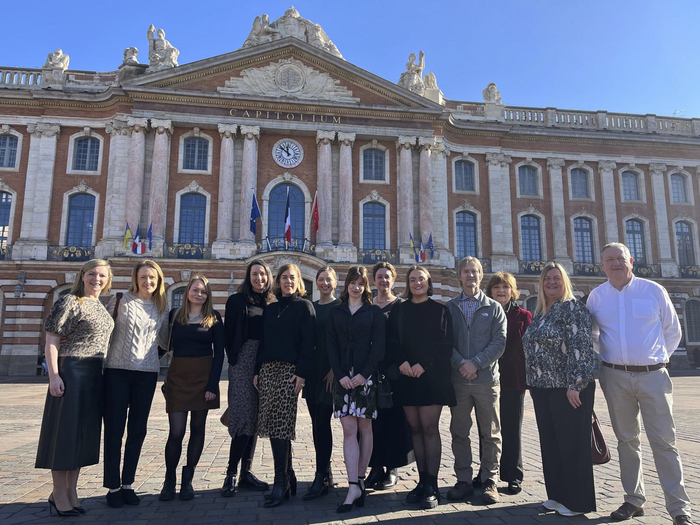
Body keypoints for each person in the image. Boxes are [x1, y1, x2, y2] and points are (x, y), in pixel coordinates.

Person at [588, 243, 693, 525]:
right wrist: (614, 359)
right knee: (626, 440)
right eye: (609, 259)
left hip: (653, 376)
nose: (615, 263)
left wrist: (656, 360)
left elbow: (673, 330)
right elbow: (594, 335)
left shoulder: (653, 290)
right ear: (602, 266)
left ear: (631, 261)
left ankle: (678, 507)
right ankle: (633, 499)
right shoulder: (596, 297)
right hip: (615, 377)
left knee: (664, 442)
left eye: (620, 258)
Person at [35, 259, 115, 517]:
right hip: (72, 369)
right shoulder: (70, 301)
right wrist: (54, 375)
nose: (97, 279)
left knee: (82, 435)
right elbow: (51, 340)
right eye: (92, 274)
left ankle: (72, 490)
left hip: (95, 371)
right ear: (82, 275)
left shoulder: (101, 305)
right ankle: (58, 492)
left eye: (102, 275)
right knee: (65, 433)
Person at [522, 262, 596, 517]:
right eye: (546, 279)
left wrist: (576, 384)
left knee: (572, 445)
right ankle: (558, 495)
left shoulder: (573, 308)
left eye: (556, 278)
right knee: (552, 444)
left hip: (569, 388)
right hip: (543, 387)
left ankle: (578, 502)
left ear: (565, 281)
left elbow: (582, 346)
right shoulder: (542, 312)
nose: (551, 282)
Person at [386, 265, 455, 509]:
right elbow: (391, 340)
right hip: (406, 376)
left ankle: (432, 485)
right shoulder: (399, 310)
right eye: (413, 280)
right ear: (408, 283)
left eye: (421, 279)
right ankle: (422, 480)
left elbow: (445, 344)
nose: (417, 283)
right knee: (414, 429)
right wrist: (403, 363)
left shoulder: (440, 310)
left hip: (431, 378)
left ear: (428, 283)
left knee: (428, 428)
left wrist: (423, 365)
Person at [103, 260, 169, 508]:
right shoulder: (120, 300)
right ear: (136, 278)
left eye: (152, 278)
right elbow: (104, 333)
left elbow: (164, 341)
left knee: (138, 430)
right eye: (143, 277)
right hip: (117, 371)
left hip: (147, 374)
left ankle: (128, 483)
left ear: (158, 280)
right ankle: (112, 486)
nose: (148, 282)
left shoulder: (161, 307)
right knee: (114, 429)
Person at [158, 274, 224, 501]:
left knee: (198, 429)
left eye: (203, 291)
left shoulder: (214, 317)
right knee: (176, 432)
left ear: (208, 296)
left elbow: (219, 355)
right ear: (187, 292)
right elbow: (162, 346)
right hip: (178, 375)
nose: (199, 294)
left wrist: (212, 385)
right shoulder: (174, 315)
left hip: (203, 377)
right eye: (195, 290)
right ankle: (169, 480)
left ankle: (188, 480)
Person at [445, 256, 506, 505]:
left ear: (482, 276)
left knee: (490, 433)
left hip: (486, 381)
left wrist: (476, 363)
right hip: (459, 381)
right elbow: (445, 342)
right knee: (459, 432)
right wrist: (461, 364)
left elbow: (499, 343)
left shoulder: (494, 308)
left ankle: (490, 480)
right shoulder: (449, 308)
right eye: (466, 271)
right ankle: (464, 481)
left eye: (475, 271)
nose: (471, 275)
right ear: (459, 275)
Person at [254, 263, 315, 508]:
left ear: (298, 281)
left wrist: (302, 373)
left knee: (282, 424)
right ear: (277, 281)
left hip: (289, 372)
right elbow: (263, 340)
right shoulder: (271, 309)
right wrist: (258, 369)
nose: (288, 281)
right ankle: (288, 477)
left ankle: (280, 481)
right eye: (284, 278)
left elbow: (309, 342)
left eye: (292, 278)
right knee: (270, 423)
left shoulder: (305, 307)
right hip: (268, 370)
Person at [327, 266, 385, 513]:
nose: (356, 287)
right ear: (346, 285)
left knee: (365, 427)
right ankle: (353, 485)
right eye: (352, 282)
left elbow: (378, 347)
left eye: (361, 283)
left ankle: (360, 479)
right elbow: (330, 345)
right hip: (342, 378)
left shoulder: (373, 313)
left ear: (366, 287)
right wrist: (341, 376)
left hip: (365, 377)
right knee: (349, 429)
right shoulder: (335, 313)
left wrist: (364, 374)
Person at [220, 260, 275, 497]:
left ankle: (246, 473)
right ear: (248, 276)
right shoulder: (236, 301)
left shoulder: (273, 302)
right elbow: (228, 334)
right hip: (243, 361)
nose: (259, 278)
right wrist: (235, 361)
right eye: (255, 274)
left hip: (266, 361)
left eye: (263, 274)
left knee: (255, 418)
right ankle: (231, 474)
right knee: (243, 416)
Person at [365, 262, 414, 491]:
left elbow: (405, 340)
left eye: (387, 277)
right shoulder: (367, 306)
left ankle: (392, 469)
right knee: (372, 421)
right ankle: (375, 466)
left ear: (393, 280)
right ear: (373, 280)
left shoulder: (401, 307)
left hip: (394, 372)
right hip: (370, 371)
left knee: (394, 420)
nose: (383, 281)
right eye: (379, 277)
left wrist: (398, 366)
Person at [484, 272, 531, 494]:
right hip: (486, 379)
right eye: (496, 287)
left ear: (512, 291)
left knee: (512, 428)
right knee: (489, 429)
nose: (501, 291)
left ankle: (513, 474)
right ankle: (487, 473)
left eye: (505, 287)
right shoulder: (485, 314)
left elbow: (529, 349)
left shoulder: (524, 316)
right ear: (490, 291)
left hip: (513, 378)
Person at [302, 266, 340, 500]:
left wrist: (335, 370)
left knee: (323, 423)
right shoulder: (311, 307)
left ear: (335, 283)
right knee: (317, 424)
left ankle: (320, 477)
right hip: (313, 371)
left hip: (331, 372)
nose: (325, 283)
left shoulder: (340, 308)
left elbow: (344, 342)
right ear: (316, 283)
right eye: (321, 279)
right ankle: (326, 472)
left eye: (329, 279)